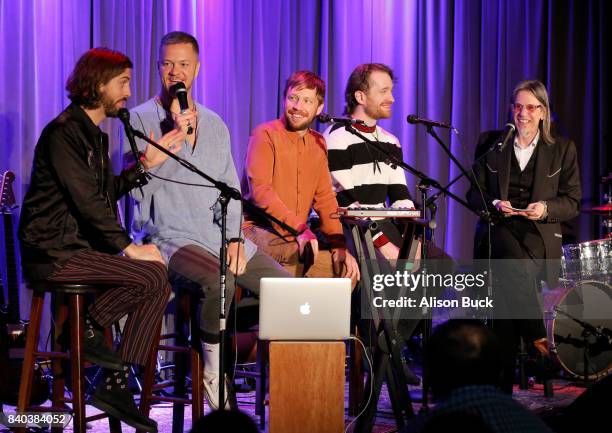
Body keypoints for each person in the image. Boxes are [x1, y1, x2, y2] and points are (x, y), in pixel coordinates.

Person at [18, 47, 184, 432]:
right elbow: (88, 202)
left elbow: (103, 192)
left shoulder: (92, 134)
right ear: (98, 84)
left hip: (76, 248)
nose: (128, 90)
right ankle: (87, 337)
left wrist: (144, 165)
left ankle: (114, 381)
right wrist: (129, 248)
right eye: (123, 82)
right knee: (152, 275)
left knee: (156, 277)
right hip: (54, 251)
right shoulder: (63, 133)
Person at [128, 31, 291, 410]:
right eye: (167, 64)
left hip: (221, 237)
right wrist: (172, 137)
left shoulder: (216, 124)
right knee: (218, 279)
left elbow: (231, 189)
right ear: (158, 68)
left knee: (287, 289)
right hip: (171, 237)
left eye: (183, 64)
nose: (175, 72)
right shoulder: (137, 119)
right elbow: (135, 196)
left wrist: (235, 238)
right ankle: (214, 379)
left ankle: (289, 384)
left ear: (197, 69)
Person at [466, 79, 581, 393]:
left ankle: (500, 385)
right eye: (518, 106)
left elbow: (572, 201)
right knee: (506, 255)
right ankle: (537, 338)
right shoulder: (491, 143)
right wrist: (493, 203)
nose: (523, 113)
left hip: (538, 238)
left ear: (543, 112)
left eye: (531, 107)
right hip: (497, 231)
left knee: (507, 278)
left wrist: (543, 208)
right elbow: (472, 194)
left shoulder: (561, 148)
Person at [242, 70, 360, 283]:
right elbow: (261, 192)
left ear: (319, 108)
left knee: (346, 269)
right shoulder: (265, 135)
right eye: (293, 98)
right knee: (304, 254)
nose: (297, 107)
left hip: (296, 235)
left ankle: (313, 315)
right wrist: (300, 229)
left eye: (307, 101)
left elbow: (325, 199)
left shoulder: (318, 143)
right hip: (257, 230)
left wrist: (338, 244)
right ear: (284, 99)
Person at [323, 63, 416, 261]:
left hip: (385, 227)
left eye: (391, 91)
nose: (391, 98)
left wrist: (413, 238)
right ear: (360, 97)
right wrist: (384, 246)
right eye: (384, 91)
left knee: (440, 266)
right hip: (354, 230)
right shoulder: (337, 137)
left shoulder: (390, 141)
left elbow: (400, 196)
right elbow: (347, 203)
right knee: (388, 275)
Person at [403, 320, 554, 433]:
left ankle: (397, 339)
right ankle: (538, 347)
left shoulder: (421, 426)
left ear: (433, 379)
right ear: (499, 372)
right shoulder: (531, 424)